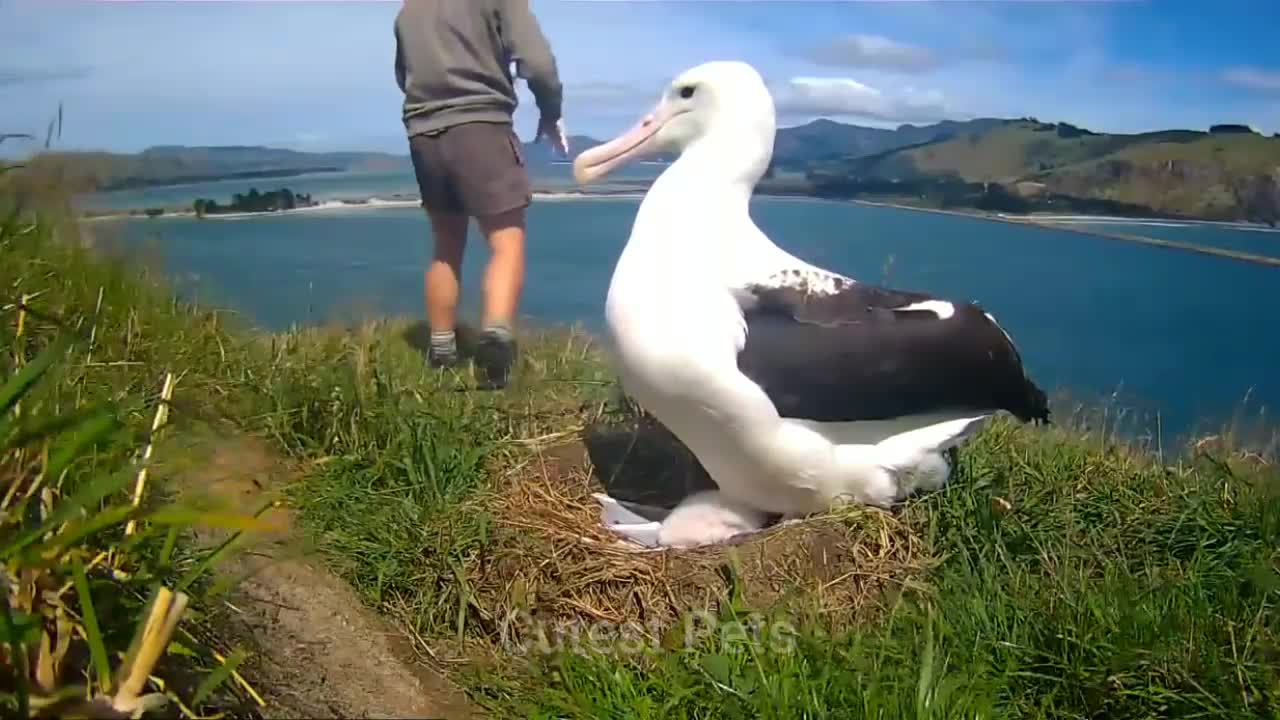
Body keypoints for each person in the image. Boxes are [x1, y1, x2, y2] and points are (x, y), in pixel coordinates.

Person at [394, 0, 568, 389]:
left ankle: (441, 352)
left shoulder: (409, 8)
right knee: (506, 241)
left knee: (446, 243)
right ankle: (495, 351)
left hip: (423, 132)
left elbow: (404, 74)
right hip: (481, 124)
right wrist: (550, 111)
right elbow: (538, 63)